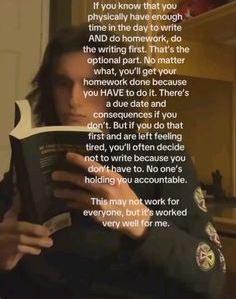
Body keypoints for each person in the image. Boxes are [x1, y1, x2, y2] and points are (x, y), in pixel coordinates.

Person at [0, 24, 225, 299]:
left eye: (93, 84)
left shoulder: (163, 157)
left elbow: (211, 277)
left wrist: (141, 222)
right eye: (63, 83)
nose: (74, 100)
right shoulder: (26, 164)